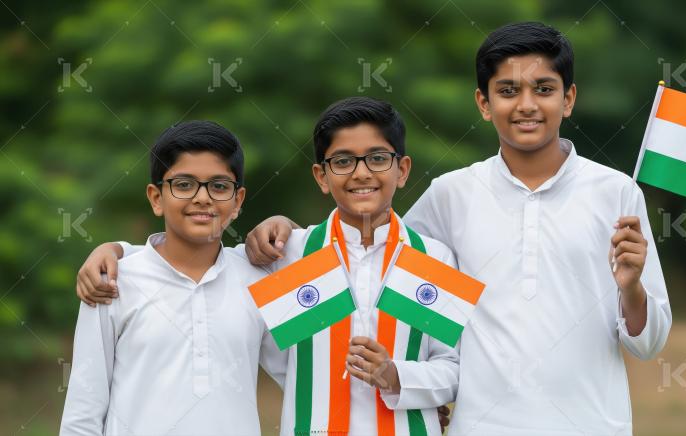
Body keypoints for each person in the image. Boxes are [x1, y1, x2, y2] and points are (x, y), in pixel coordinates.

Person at [241, 22, 672, 435]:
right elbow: (370, 254)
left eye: (544, 89)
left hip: (593, 425)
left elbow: (648, 345)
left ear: (569, 98)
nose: (526, 104)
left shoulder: (617, 192)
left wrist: (631, 289)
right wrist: (289, 231)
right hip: (481, 425)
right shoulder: (451, 194)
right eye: (507, 90)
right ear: (484, 103)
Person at [74, 98, 459, 435]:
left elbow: (454, 368)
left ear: (402, 169)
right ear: (321, 176)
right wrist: (115, 250)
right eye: (343, 161)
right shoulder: (291, 256)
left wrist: (398, 377)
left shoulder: (433, 259)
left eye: (377, 159)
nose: (361, 173)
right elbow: (189, 260)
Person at [60, 120, 286, 435]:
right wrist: (117, 249)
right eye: (184, 184)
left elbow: (310, 373)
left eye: (219, 186)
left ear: (238, 200)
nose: (203, 198)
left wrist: (286, 223)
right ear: (156, 197)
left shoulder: (259, 278)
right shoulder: (111, 281)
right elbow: (83, 412)